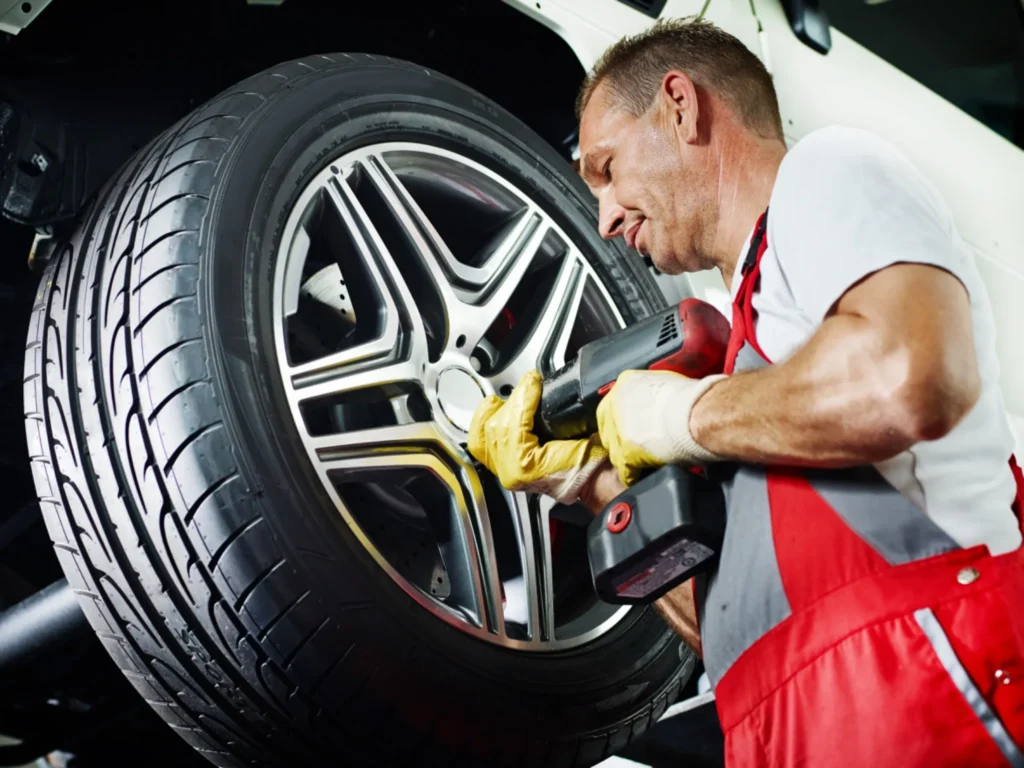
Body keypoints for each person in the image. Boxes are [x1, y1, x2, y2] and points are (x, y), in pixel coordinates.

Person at [468, 16, 1024, 768]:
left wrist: (680, 417)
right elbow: (742, 637)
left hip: (931, 683)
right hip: (790, 729)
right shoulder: (750, 380)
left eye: (605, 168)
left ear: (679, 106)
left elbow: (910, 376)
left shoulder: (829, 171)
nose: (602, 220)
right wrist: (589, 482)